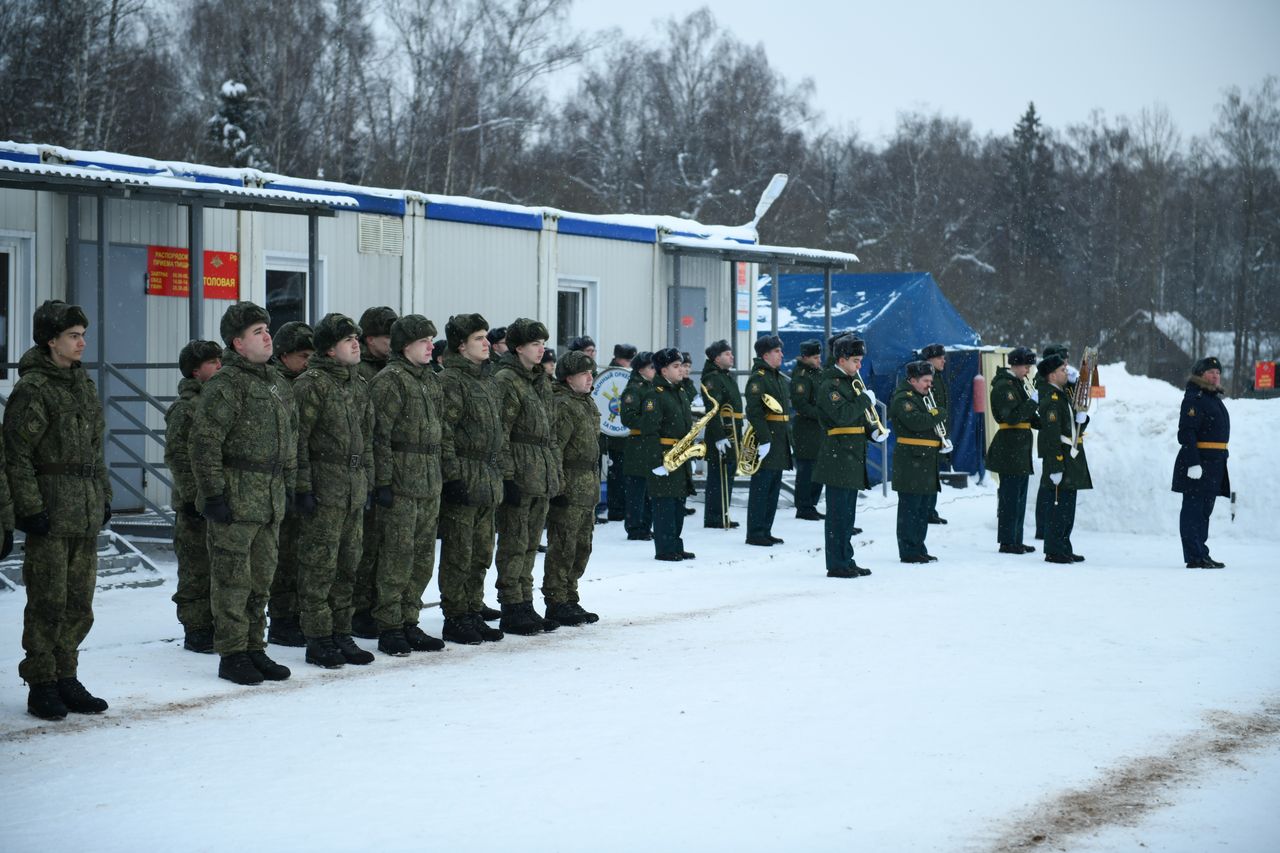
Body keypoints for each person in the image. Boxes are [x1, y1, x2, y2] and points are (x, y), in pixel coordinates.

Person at [6, 300, 112, 719]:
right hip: (51, 510)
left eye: (83, 334)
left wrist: (103, 496)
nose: (81, 342)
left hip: (82, 511)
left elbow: (94, 451)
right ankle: (41, 682)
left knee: (78, 602)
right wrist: (29, 508)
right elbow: (16, 455)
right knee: (47, 601)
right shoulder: (34, 389)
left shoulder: (82, 385)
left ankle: (66, 674)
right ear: (51, 341)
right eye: (73, 335)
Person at [190, 301, 295, 685]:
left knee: (260, 581)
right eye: (257, 332)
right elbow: (205, 444)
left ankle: (254, 647)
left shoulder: (276, 383)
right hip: (236, 499)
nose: (267, 336)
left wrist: (292, 486)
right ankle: (232, 653)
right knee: (233, 581)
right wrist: (214, 494)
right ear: (237, 343)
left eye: (267, 329)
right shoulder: (225, 385)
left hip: (269, 499)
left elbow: (292, 441)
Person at [292, 313, 376, 668]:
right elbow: (298, 443)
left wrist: (368, 481)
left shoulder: (358, 385)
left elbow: (368, 439)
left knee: (347, 567)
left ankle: (341, 632)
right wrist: (303, 488)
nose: (356, 344)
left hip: (352, 490)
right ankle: (318, 637)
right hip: (324, 490)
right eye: (347, 340)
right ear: (328, 350)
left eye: (356, 338)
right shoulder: (310, 385)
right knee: (318, 567)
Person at [368, 315, 447, 655]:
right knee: (396, 557)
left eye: (432, 340)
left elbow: (440, 432)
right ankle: (389, 625)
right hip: (401, 481)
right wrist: (383, 481)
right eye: (423, 341)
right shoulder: (390, 381)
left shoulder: (430, 380)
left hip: (428, 480)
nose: (431, 346)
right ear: (405, 346)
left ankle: (409, 619)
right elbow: (380, 435)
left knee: (421, 557)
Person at [436, 314, 509, 645]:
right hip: (465, 473)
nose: (486, 343)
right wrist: (452, 477)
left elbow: (499, 433)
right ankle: (455, 615)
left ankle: (471, 609)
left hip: (487, 475)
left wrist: (503, 473)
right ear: (461, 345)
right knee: (459, 551)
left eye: (487, 337)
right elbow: (445, 433)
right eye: (479, 338)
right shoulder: (451, 380)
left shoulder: (488, 380)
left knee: (481, 550)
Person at [493, 318, 561, 635]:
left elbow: (550, 433)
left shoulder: (540, 381)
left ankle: (525, 600)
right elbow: (502, 433)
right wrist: (508, 477)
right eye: (535, 344)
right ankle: (511, 604)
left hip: (540, 469)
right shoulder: (507, 380)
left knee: (531, 542)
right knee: (514, 542)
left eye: (543, 343)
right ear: (518, 347)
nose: (541, 349)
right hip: (521, 469)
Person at [164, 339, 223, 653]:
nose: (219, 366)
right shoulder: (186, 408)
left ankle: (215, 622)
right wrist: (190, 498)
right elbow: (178, 456)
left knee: (219, 566)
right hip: (193, 506)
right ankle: (197, 627)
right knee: (195, 568)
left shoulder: (219, 402)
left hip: (216, 501)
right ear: (195, 371)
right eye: (213, 362)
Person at [815, 335, 887, 578]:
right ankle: (836, 563)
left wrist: (872, 431)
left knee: (848, 514)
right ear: (842, 359)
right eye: (855, 361)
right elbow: (843, 416)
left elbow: (857, 418)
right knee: (837, 514)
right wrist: (864, 400)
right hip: (837, 454)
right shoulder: (829, 385)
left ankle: (846, 559)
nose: (859, 366)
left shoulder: (849, 381)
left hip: (852, 453)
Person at [265, 321, 314, 647]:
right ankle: (282, 619)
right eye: (301, 355)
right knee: (282, 557)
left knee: (299, 554)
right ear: (283, 356)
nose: (307, 362)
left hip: (298, 478)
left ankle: (294, 615)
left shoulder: (302, 383)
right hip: (276, 482)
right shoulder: (276, 385)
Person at [350, 306, 398, 638]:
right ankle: (359, 609)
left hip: (393, 467)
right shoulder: (362, 373)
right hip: (367, 468)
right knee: (364, 547)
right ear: (370, 340)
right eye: (387, 337)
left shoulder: (393, 370)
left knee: (386, 545)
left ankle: (379, 604)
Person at [545, 350, 602, 625]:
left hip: (587, 486)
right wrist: (559, 488)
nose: (590, 378)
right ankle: (557, 599)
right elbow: (556, 448)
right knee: (563, 546)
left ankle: (570, 594)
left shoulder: (586, 403)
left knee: (582, 546)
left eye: (592, 373)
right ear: (569, 378)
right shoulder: (563, 405)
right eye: (584, 374)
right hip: (570, 486)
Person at [1172, 356, 1230, 569]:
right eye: (1211, 372)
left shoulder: (1212, 397)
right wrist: (1193, 463)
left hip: (1214, 464)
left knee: (1204, 511)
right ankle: (1194, 555)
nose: (1216, 376)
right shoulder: (1195, 398)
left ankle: (1201, 552)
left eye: (1218, 372)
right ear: (1201, 375)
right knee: (1193, 511)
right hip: (1199, 463)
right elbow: (1186, 433)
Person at [1035, 353, 1091, 564]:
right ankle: (1054, 549)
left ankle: (1064, 546)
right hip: (1061, 457)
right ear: (1051, 375)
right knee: (1058, 508)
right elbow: (1051, 435)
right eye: (1061, 370)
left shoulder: (1062, 394)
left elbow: (1070, 427)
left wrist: (1082, 420)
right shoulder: (1050, 398)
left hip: (1070, 454)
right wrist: (1056, 464)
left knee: (1067, 507)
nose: (1065, 372)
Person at [641, 348, 695, 561]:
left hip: (680, 455)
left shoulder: (679, 391)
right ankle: (664, 548)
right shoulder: (655, 396)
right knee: (664, 503)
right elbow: (649, 432)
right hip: (664, 455)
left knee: (677, 502)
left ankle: (675, 544)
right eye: (675, 366)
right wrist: (657, 462)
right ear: (663, 371)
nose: (681, 369)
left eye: (681, 365)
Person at [889, 361, 945, 563]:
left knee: (922, 509)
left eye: (931, 380)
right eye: (925, 381)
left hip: (925, 460)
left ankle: (919, 547)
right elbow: (916, 422)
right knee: (910, 508)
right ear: (912, 380)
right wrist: (937, 413)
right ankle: (908, 550)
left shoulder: (923, 397)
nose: (929, 385)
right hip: (911, 459)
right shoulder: (903, 398)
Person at [986, 347, 1040, 555]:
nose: (1028, 371)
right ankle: (1008, 541)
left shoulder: (1018, 384)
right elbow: (1013, 416)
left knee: (1019, 497)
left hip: (1020, 447)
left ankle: (1016, 538)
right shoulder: (1004, 386)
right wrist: (1033, 402)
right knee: (1010, 498)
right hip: (1010, 446)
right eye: (1026, 366)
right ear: (1015, 365)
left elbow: (1029, 417)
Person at [744, 335, 792, 547]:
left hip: (779, 438)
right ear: (765, 355)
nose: (781, 354)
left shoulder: (777, 377)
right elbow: (754, 411)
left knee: (773, 487)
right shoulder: (759, 378)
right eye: (776, 351)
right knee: (761, 487)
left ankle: (766, 529)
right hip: (767, 438)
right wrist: (764, 439)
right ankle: (755, 532)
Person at [700, 339, 741, 530]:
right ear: (717, 358)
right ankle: (714, 517)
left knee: (727, 475)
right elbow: (712, 409)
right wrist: (719, 436)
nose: (731, 356)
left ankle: (722, 512)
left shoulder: (725, 376)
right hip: (722, 433)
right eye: (727, 354)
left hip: (731, 431)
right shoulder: (713, 378)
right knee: (719, 477)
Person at [1034, 344, 1070, 539]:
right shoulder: (1048, 391)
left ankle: (1051, 533)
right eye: (1063, 365)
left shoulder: (1057, 390)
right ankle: (1046, 531)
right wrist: (1056, 460)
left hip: (1057, 442)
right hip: (1053, 444)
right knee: (1050, 492)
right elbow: (1051, 430)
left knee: (1053, 492)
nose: (1066, 366)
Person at [620, 351, 655, 541]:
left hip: (649, 445)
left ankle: (645, 525)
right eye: (652, 367)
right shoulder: (634, 389)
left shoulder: (651, 387)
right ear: (641, 369)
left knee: (648, 489)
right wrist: (650, 422)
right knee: (637, 489)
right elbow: (628, 417)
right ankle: (635, 527)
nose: (655, 371)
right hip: (638, 445)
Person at [601, 343, 638, 523]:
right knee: (616, 475)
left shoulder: (631, 376)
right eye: (626, 359)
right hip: (614, 436)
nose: (629, 363)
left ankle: (625, 508)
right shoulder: (609, 376)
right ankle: (616, 509)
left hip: (629, 435)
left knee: (628, 475)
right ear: (617, 358)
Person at [790, 340, 825, 521]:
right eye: (815, 357)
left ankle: (811, 503)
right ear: (805, 358)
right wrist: (821, 414)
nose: (819, 360)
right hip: (806, 428)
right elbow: (801, 404)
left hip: (818, 430)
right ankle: (803, 505)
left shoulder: (818, 373)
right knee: (806, 470)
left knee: (818, 468)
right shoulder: (802, 375)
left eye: (819, 356)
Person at [918, 343, 949, 524]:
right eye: (940, 358)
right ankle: (926, 509)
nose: (943, 361)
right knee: (927, 475)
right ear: (930, 360)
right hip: (929, 431)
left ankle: (931, 508)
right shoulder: (926, 378)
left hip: (938, 431)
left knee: (933, 474)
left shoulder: (937, 378)